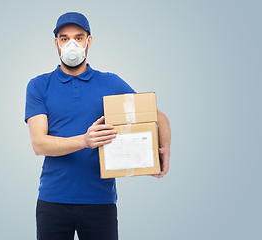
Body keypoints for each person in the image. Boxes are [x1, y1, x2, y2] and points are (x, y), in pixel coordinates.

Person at [25, 12, 171, 240]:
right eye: (64, 38)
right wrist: (85, 141)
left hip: (99, 201)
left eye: (78, 37)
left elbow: (158, 117)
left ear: (88, 41)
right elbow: (39, 143)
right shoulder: (39, 85)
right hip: (53, 200)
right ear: (56, 43)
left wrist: (162, 152)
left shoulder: (110, 82)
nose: (71, 44)